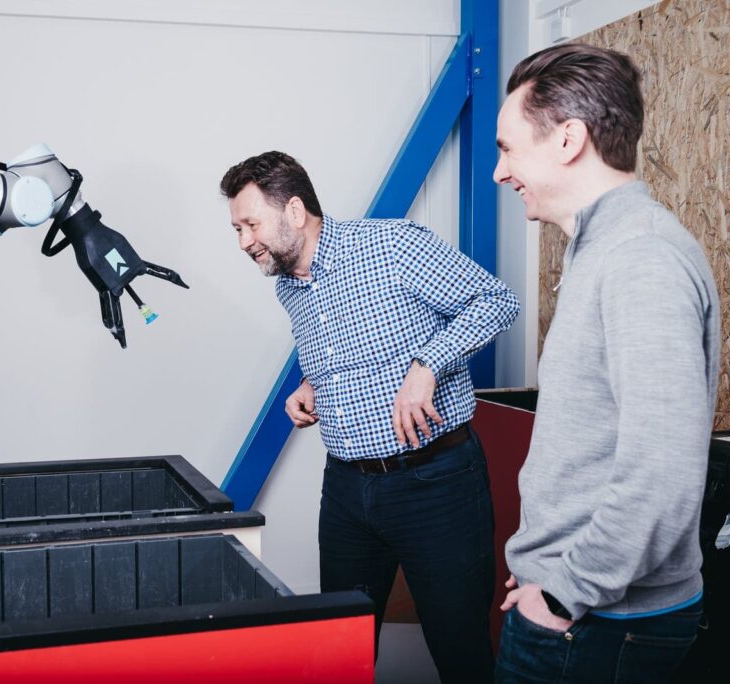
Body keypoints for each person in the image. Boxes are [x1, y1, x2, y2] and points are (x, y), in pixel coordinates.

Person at [220, 151, 519, 682]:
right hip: (346, 492)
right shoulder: (289, 284)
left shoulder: (392, 244)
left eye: (250, 224)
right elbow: (345, 347)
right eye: (237, 228)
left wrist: (427, 367)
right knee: (339, 651)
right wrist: (312, 385)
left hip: (436, 484)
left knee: (460, 652)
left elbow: (495, 301)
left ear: (293, 210)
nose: (243, 241)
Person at [493, 43, 720, 683]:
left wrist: (565, 590)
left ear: (568, 139)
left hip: (600, 623)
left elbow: (661, 472)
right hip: (586, 605)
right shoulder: (599, 249)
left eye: (508, 148)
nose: (498, 172)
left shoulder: (640, 259)